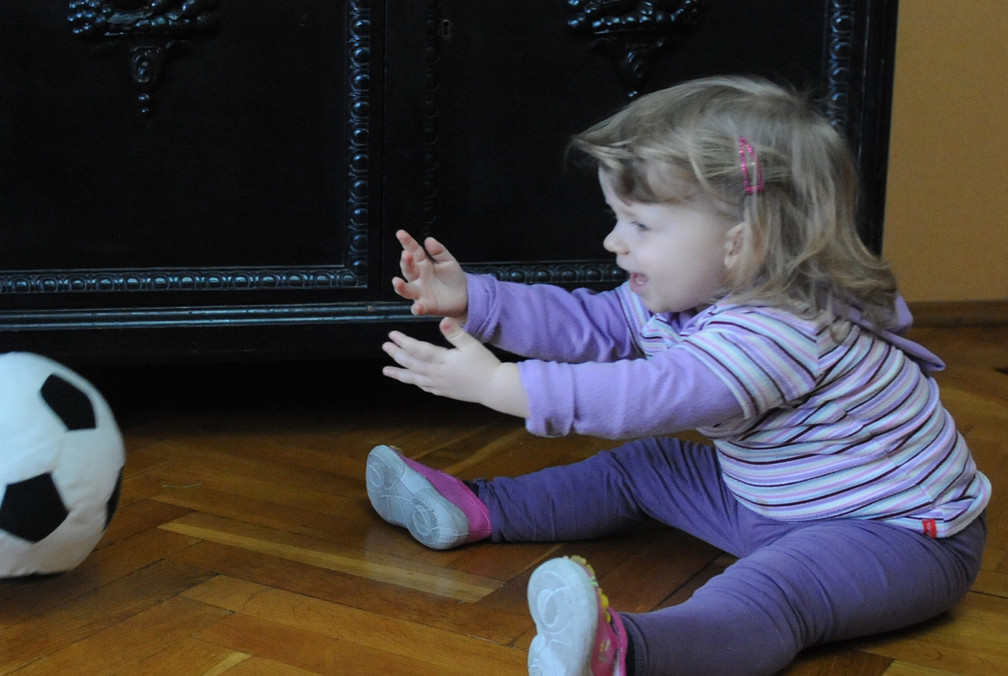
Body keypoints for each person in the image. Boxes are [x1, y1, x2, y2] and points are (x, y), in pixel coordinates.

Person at [364, 75, 990, 676]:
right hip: (765, 503)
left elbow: (653, 395)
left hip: (898, 539)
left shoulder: (783, 328)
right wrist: (477, 300)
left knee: (773, 592)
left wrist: (505, 386)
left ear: (742, 242)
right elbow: (596, 324)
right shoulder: (684, 292)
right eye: (617, 217)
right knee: (644, 468)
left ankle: (629, 652)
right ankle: (479, 507)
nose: (615, 241)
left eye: (641, 225)